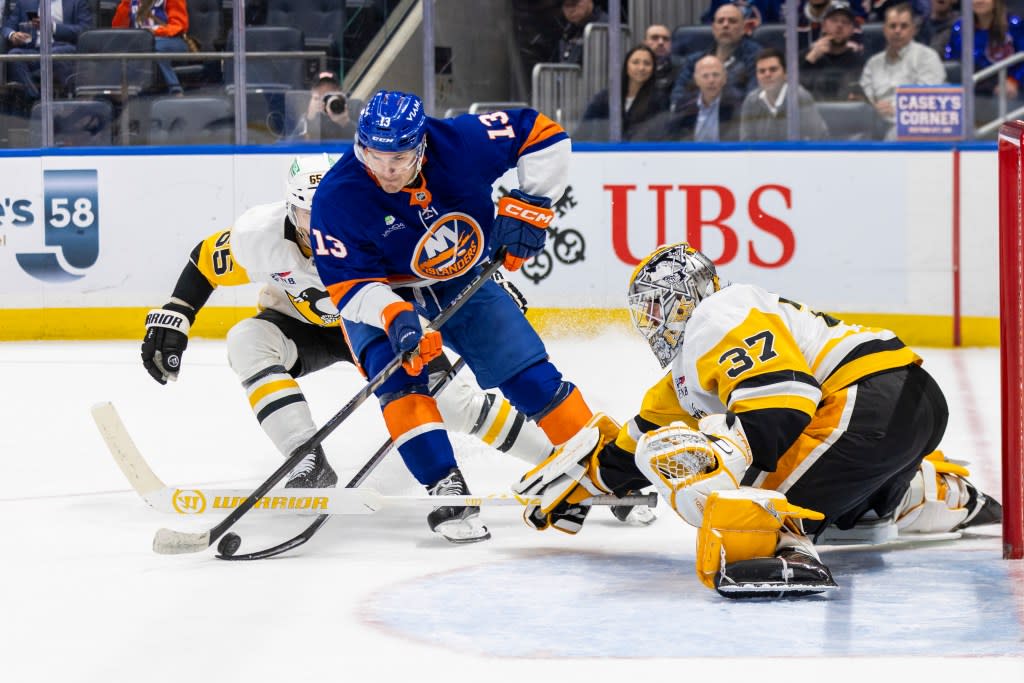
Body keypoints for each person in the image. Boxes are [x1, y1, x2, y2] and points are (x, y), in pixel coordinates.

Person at [515, 242, 1003, 598]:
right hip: (903, 403)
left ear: (683, 298)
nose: (651, 321)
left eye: (655, 307)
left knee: (720, 489)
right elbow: (637, 441)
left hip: (869, 403)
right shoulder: (696, 358)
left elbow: (785, 402)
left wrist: (732, 465)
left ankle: (780, 546)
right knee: (850, 523)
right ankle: (923, 493)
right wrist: (587, 479)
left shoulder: (717, 316)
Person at [140, 154, 557, 525]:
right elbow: (206, 260)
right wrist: (178, 311)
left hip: (375, 324)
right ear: (289, 209)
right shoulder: (260, 235)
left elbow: (441, 261)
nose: (320, 225)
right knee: (245, 338)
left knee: (451, 403)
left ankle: (561, 463)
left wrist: (488, 290)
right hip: (300, 326)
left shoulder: (377, 223)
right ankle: (306, 459)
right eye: (307, 214)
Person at [309, 91, 631, 544]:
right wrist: (395, 315)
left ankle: (609, 469)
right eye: (374, 155)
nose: (386, 170)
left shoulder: (460, 142)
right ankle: (446, 485)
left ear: (421, 145)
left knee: (529, 376)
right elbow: (348, 286)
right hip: (381, 293)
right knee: (401, 378)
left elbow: (542, 133)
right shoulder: (337, 196)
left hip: (461, 278)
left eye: (399, 157)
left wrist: (531, 204)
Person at [860, 2, 945, 139]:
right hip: (876, 123)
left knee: (896, 132)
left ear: (913, 29)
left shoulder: (927, 57)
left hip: (914, 126)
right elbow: (865, 96)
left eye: (904, 26)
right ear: (884, 30)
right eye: (892, 26)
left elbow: (929, 100)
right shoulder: (873, 63)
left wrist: (896, 110)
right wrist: (874, 108)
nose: (897, 31)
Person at [670, 3, 762, 112]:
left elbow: (752, 100)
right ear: (714, 29)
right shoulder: (694, 61)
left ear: (743, 29)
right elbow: (677, 100)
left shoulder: (757, 57)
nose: (725, 25)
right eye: (720, 21)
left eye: (732, 21)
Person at [1, 0, 93, 102]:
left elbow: (85, 29)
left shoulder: (76, 2)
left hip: (63, 47)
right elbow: (7, 27)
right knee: (14, 56)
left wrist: (52, 27)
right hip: (34, 50)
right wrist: (12, 34)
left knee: (55, 54)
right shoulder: (24, 2)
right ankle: (35, 99)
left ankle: (71, 96)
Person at [576, 44, 669, 141]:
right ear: (626, 66)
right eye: (635, 62)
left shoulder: (659, 99)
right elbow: (583, 128)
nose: (641, 68)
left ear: (653, 69)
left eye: (647, 63)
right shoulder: (605, 97)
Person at [740, 47, 829, 140]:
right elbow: (746, 142)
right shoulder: (751, 101)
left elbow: (818, 137)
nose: (767, 74)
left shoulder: (800, 97)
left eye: (773, 69)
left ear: (786, 74)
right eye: (762, 71)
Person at [945, 0, 1024, 101]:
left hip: (1008, 91)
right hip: (972, 90)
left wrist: (1014, 80)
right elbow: (953, 62)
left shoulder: (1015, 25)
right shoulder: (960, 27)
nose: (979, 1)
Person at [112, 0, 188, 95]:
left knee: (154, 46)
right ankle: (116, 95)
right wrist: (126, 3)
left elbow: (178, 26)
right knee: (118, 47)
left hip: (171, 41)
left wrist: (151, 33)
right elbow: (118, 26)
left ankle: (175, 91)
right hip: (140, 43)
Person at [800, 1, 867, 101]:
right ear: (824, 26)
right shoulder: (806, 56)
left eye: (845, 22)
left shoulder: (860, 63)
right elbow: (791, 90)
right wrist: (810, 59)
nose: (839, 25)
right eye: (834, 20)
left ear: (852, 29)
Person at [666, 54, 742, 141]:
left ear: (724, 78)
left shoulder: (736, 105)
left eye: (716, 75)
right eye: (705, 76)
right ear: (696, 80)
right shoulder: (684, 106)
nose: (711, 80)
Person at [289, 71, 356, 142]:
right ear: (312, 93)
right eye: (320, 93)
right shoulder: (307, 117)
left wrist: (346, 123)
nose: (324, 100)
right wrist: (310, 118)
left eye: (330, 93)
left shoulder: (352, 109)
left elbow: (365, 142)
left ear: (339, 92)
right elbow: (290, 147)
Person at [798, 0, 867, 51]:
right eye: (834, 20)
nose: (839, 24)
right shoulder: (794, 21)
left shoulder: (846, 17)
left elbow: (856, 54)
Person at [556, 0, 607, 65]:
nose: (570, 10)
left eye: (574, 4)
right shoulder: (568, 30)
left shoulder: (606, 27)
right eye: (566, 6)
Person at [643, 23, 679, 106]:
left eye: (666, 39)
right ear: (645, 43)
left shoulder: (680, 69)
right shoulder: (635, 68)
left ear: (671, 44)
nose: (661, 42)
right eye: (655, 38)